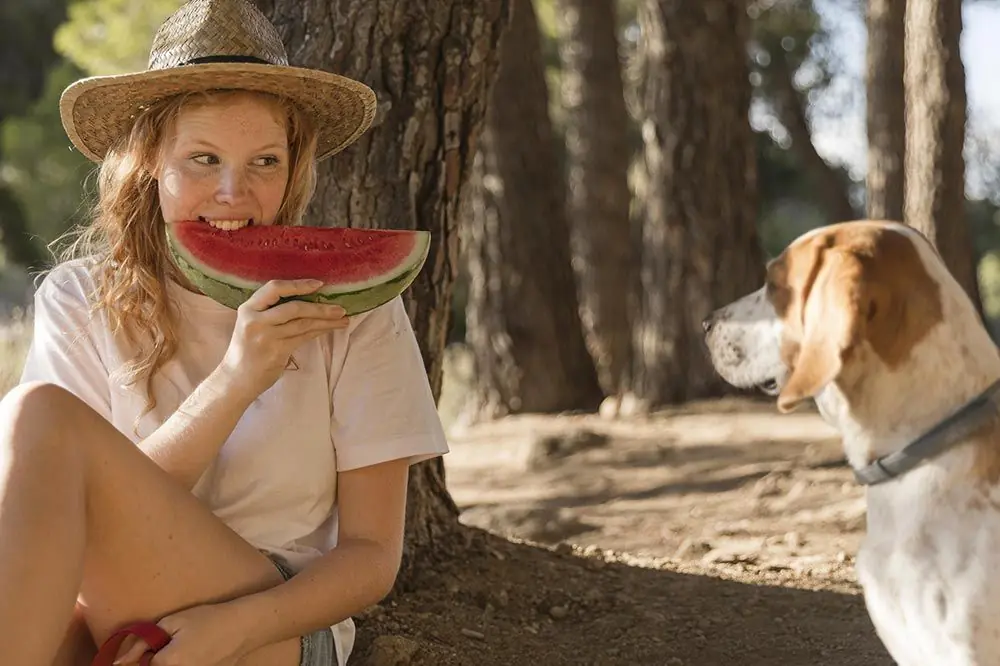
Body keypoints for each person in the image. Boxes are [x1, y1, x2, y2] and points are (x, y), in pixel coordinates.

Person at [0, 0, 450, 664]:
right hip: (108, 605)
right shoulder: (79, 298)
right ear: (152, 158)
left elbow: (372, 557)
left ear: (295, 166)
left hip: (276, 624)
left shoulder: (356, 308)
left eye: (265, 162)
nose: (233, 192)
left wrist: (231, 628)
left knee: (34, 414)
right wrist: (237, 383)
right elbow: (81, 523)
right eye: (204, 159)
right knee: (30, 418)